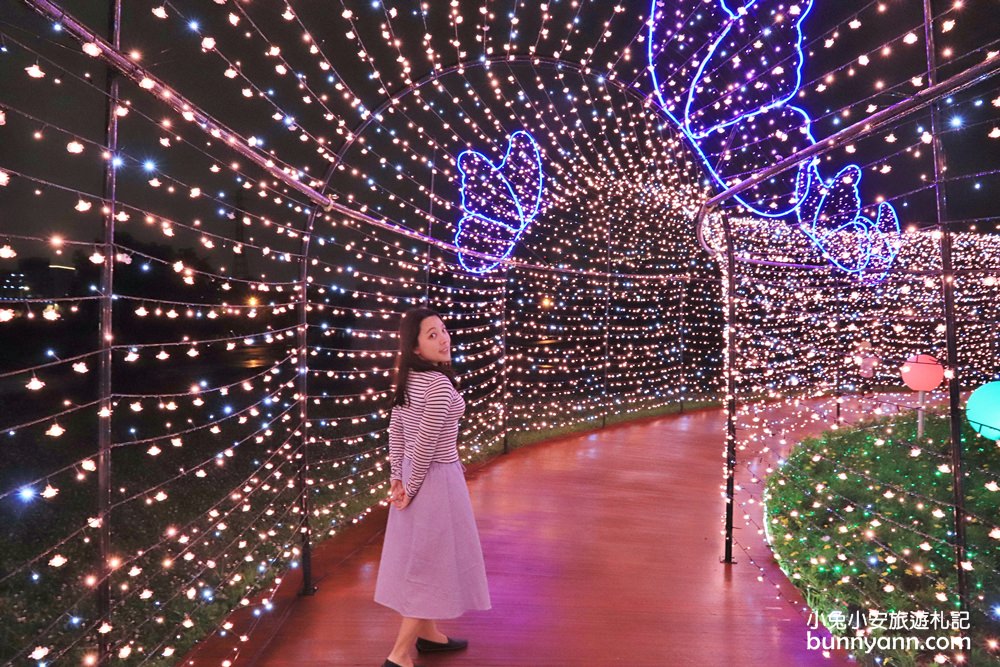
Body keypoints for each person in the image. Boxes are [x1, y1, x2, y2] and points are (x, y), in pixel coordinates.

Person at [374, 307, 491, 667]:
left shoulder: (408, 378)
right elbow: (426, 443)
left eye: (442, 330)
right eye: (432, 335)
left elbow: (397, 430)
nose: (443, 339)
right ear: (414, 347)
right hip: (434, 479)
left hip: (415, 473)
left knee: (420, 558)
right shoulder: (438, 384)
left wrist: (397, 476)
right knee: (431, 564)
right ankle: (398, 655)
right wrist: (409, 487)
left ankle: (429, 636)